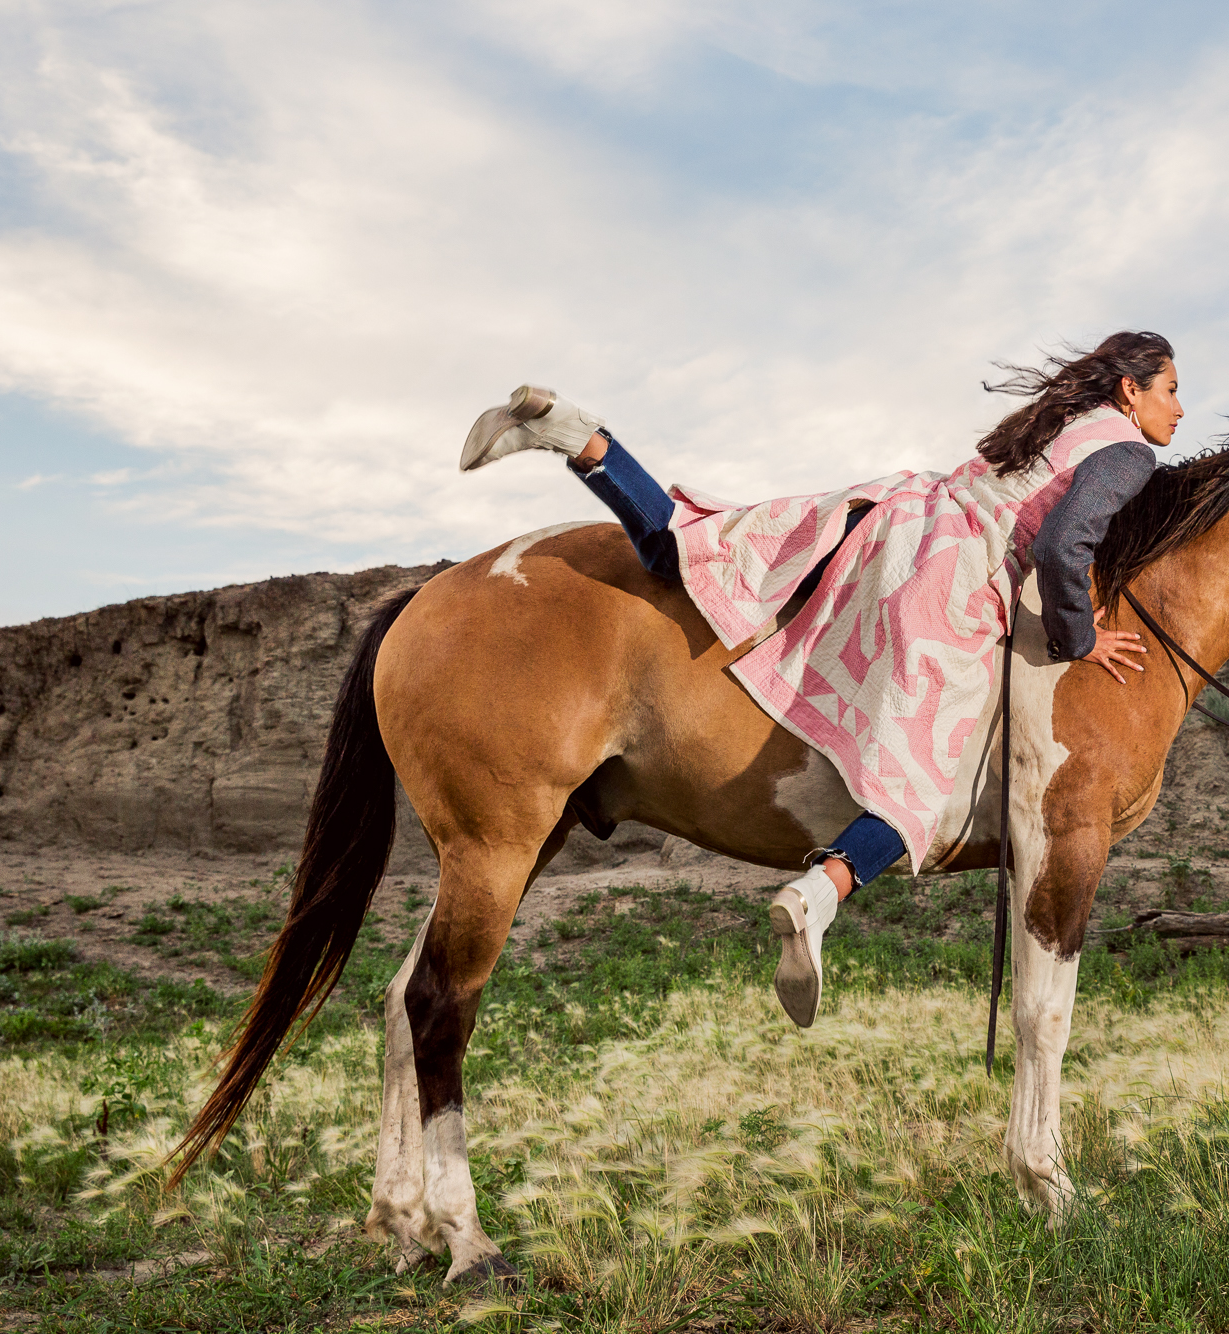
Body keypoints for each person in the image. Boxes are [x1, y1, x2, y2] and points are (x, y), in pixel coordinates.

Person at [460, 332, 1183, 1026]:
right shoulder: (1124, 450)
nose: (1179, 410)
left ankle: (577, 437)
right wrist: (1079, 639)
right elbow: (1063, 547)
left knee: (710, 546)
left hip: (895, 519)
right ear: (1130, 390)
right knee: (924, 775)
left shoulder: (1056, 426)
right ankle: (820, 895)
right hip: (949, 574)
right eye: (1172, 391)